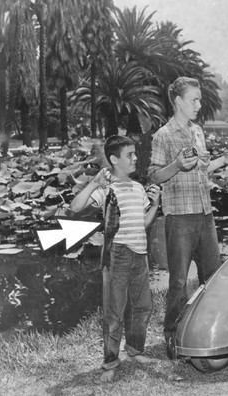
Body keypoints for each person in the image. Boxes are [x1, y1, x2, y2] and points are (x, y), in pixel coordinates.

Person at [148, 77, 228, 357]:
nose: (199, 105)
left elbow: (202, 169)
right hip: (180, 218)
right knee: (178, 282)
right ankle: (172, 337)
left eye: (200, 99)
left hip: (205, 215)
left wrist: (223, 161)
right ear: (178, 102)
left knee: (212, 276)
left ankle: (209, 333)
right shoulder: (162, 136)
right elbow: (154, 175)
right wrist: (176, 165)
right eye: (194, 100)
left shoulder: (198, 132)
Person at [70, 135, 161, 381]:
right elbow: (75, 207)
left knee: (143, 307)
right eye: (130, 155)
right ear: (114, 159)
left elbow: (143, 223)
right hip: (117, 254)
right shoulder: (106, 190)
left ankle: (135, 350)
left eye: (135, 154)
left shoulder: (138, 188)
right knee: (115, 313)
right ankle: (110, 362)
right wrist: (94, 182)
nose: (135, 158)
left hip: (140, 254)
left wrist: (154, 205)